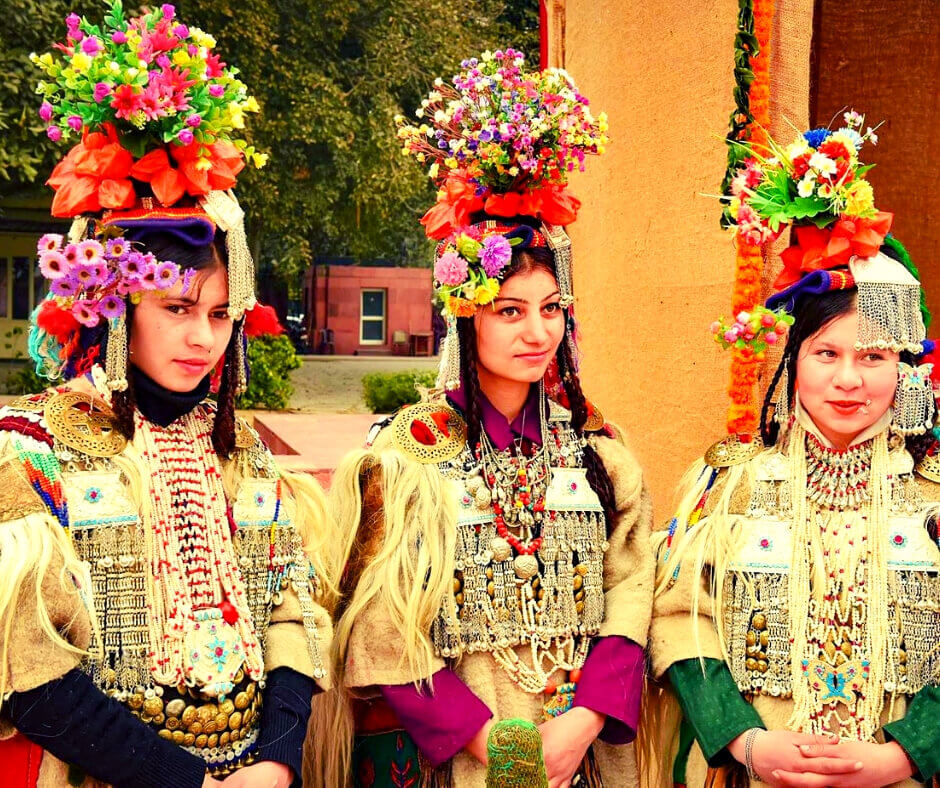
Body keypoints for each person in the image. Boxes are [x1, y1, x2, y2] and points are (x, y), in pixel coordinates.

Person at [0, 5, 331, 787]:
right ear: (115, 309)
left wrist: (278, 763)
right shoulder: (31, 445)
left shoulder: (239, 446)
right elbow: (28, 660)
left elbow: (293, 612)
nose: (203, 341)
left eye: (220, 315)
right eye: (177, 311)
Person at [311, 49, 653, 788]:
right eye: (510, 313)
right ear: (465, 320)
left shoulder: (598, 451)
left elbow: (633, 587)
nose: (538, 334)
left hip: (585, 754)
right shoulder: (403, 462)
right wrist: (496, 743)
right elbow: (377, 630)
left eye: (551, 310)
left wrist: (583, 721)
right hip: (459, 760)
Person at [648, 114, 940, 787]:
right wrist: (744, 740)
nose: (847, 379)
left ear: (904, 365)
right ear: (793, 362)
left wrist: (905, 753)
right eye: (826, 354)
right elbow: (679, 619)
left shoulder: (932, 489)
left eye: (872, 356)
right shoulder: (729, 484)